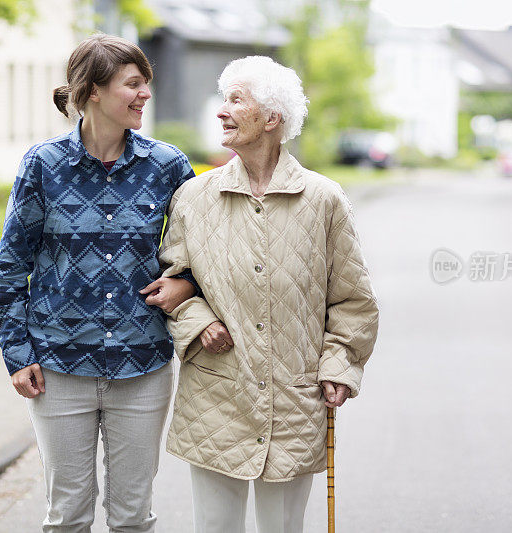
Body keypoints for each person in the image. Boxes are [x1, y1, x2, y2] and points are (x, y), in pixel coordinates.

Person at [149, 56, 379, 533]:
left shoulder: (324, 200)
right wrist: (198, 321)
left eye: (236, 99)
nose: (221, 111)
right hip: (216, 398)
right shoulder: (194, 197)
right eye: (223, 98)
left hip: (294, 401)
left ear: (272, 118)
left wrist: (340, 363)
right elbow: (170, 284)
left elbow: (353, 301)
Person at [0, 34, 197, 532]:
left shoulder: (168, 167)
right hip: (58, 367)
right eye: (133, 84)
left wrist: (187, 285)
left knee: (132, 516)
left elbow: (207, 251)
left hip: (141, 364)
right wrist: (17, 354)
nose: (145, 94)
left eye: (146, 83)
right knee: (66, 516)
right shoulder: (43, 165)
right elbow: (11, 266)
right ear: (93, 92)